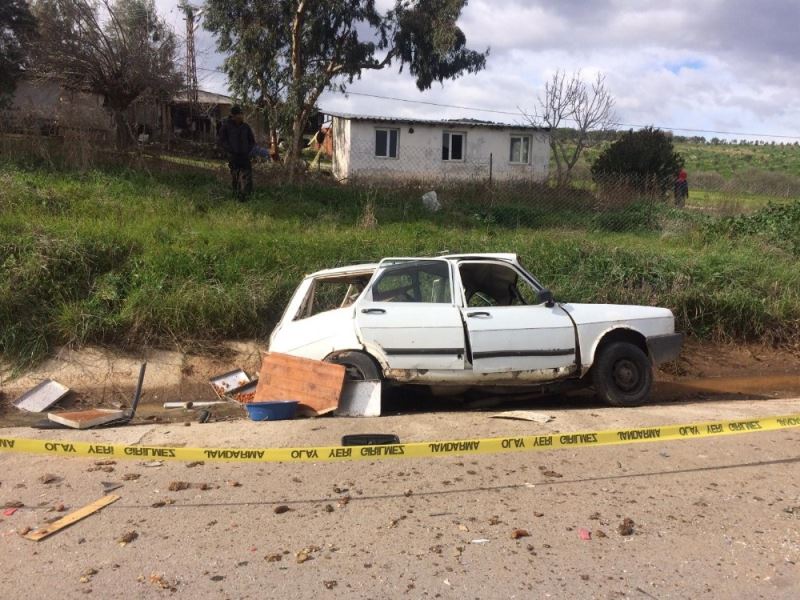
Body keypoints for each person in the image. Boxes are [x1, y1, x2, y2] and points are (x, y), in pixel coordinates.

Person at [216, 105, 255, 201]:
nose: (241, 116)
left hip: (245, 156)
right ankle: (236, 196)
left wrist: (247, 150)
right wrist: (230, 150)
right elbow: (221, 140)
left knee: (247, 177)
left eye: (241, 114)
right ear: (233, 116)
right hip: (233, 156)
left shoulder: (246, 127)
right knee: (235, 176)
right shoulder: (226, 126)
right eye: (239, 114)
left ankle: (246, 197)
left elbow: (252, 141)